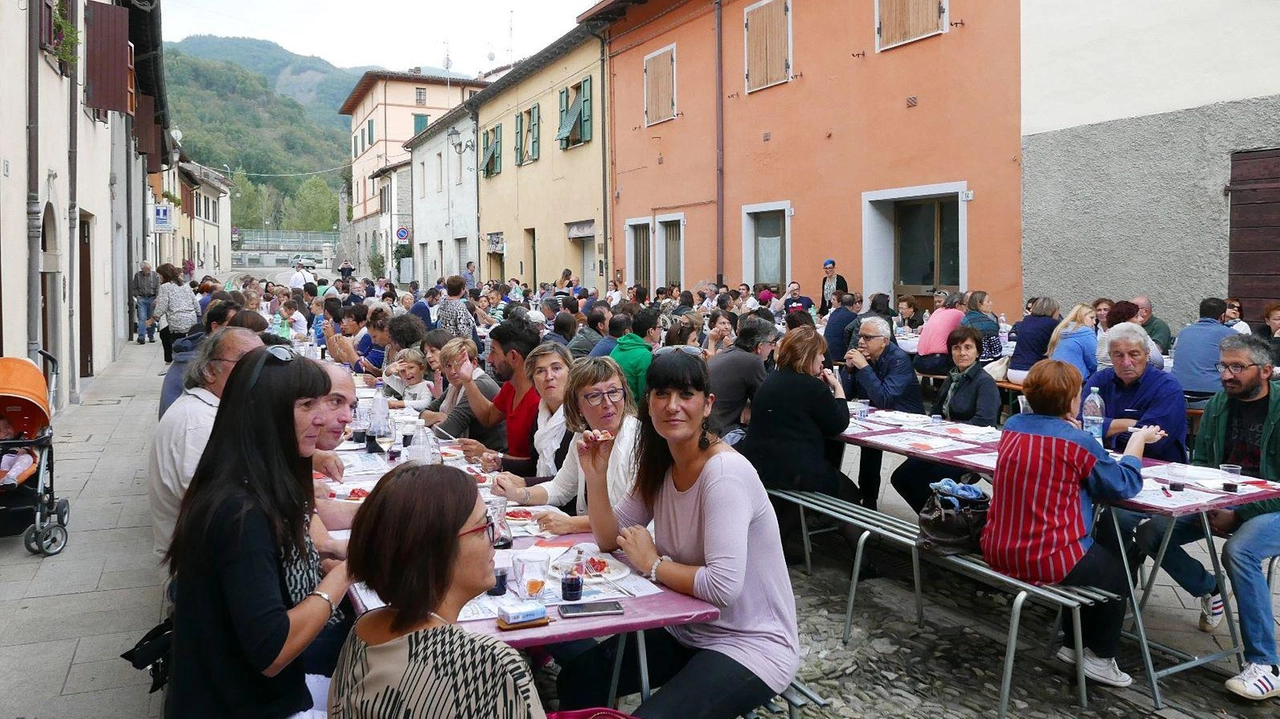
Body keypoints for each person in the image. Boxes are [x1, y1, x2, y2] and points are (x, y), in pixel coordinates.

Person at [557, 351, 799, 717]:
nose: (673, 406)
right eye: (662, 394)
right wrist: (596, 475)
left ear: (707, 405)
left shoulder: (723, 474)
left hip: (749, 643)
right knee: (578, 676)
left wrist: (652, 564)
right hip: (687, 629)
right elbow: (608, 539)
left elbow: (723, 587)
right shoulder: (660, 463)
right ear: (648, 403)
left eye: (686, 395)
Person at [164, 347, 352, 718]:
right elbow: (273, 651)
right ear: (267, 413)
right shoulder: (240, 511)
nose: (321, 419)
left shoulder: (245, 481)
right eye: (306, 405)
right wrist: (347, 574)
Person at [981, 360, 1164, 689]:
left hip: (997, 545)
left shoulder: (1014, 426)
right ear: (1072, 401)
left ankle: (1072, 643)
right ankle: (1100, 657)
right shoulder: (1077, 442)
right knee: (1115, 572)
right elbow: (1122, 484)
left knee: (1091, 559)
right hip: (1044, 556)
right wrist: (1137, 444)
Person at [1129, 334, 1280, 701]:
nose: (1227, 375)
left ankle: (1266, 665)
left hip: (1272, 506)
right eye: (1223, 366)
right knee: (1151, 531)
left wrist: (1238, 513)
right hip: (1220, 501)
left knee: (1240, 551)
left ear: (1265, 371)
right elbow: (1200, 464)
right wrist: (1208, 504)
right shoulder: (1218, 405)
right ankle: (1209, 588)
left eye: (1237, 367)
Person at [328, 464, 546, 719]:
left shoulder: (363, 629)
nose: (497, 535)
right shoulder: (488, 663)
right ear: (436, 552)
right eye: (483, 526)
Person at [493, 357, 641, 535]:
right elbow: (560, 487)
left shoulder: (638, 440)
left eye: (614, 392)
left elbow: (629, 517)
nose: (608, 403)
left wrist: (572, 524)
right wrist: (518, 494)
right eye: (595, 396)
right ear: (577, 406)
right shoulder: (583, 436)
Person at [890, 327, 1001, 512]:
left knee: (922, 481)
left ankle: (943, 521)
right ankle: (933, 519)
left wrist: (949, 430)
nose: (962, 353)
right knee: (901, 476)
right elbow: (936, 411)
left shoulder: (984, 382)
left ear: (978, 352)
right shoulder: (953, 376)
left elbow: (985, 422)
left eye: (968, 347)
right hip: (942, 445)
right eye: (956, 348)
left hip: (967, 450)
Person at [844, 316, 924, 509]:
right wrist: (850, 370)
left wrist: (863, 367)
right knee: (868, 446)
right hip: (878, 421)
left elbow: (885, 399)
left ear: (884, 341)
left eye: (868, 337)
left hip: (908, 422)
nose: (861, 341)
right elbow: (847, 395)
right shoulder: (867, 357)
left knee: (914, 469)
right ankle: (868, 501)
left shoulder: (899, 359)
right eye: (860, 336)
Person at [1084, 323, 1187, 462]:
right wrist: (1132, 425)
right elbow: (1080, 427)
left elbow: (1155, 443)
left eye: (1134, 354)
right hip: (1105, 463)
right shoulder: (1099, 381)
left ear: (1147, 354)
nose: (1126, 362)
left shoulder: (1167, 387)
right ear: (1110, 356)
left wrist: (1104, 434)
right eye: (1118, 355)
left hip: (1157, 467)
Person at [480, 343, 574, 482]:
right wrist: (500, 463)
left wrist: (524, 484)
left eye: (556, 368)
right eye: (540, 371)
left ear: (571, 373)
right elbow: (534, 464)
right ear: (533, 381)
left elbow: (569, 484)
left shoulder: (579, 418)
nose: (549, 377)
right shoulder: (541, 415)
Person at [456, 319, 541, 459]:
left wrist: (488, 453)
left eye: (493, 352)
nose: (489, 359)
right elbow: (488, 417)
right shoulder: (511, 387)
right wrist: (468, 380)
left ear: (513, 356)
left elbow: (534, 465)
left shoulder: (538, 400)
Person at [420, 338, 507, 450]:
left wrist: (434, 421)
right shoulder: (454, 386)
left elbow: (446, 432)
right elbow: (422, 413)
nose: (453, 372)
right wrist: (440, 416)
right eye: (448, 366)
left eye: (458, 365)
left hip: (493, 455)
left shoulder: (479, 385)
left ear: (474, 363)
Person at [159, 300, 241, 418]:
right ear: (215, 327)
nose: (239, 332)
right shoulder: (196, 360)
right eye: (234, 326)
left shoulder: (206, 352)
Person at [708, 317, 776, 441]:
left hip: (706, 425)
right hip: (718, 433)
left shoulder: (728, 351)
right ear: (760, 346)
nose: (773, 348)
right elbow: (768, 403)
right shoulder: (752, 361)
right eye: (771, 343)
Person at [1173, 298, 1238, 407]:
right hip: (1213, 396)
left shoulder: (1184, 332)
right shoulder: (1231, 334)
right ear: (1222, 316)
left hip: (1178, 394)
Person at [150, 263, 200, 365]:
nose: (158, 277)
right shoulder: (185, 285)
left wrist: (154, 318)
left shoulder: (165, 287)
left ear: (164, 275)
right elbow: (195, 302)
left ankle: (170, 362)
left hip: (177, 320)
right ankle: (171, 360)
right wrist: (198, 313)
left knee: (172, 339)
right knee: (165, 333)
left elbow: (162, 306)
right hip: (191, 318)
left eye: (159, 274)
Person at [1096, 301, 1165, 371]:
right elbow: (1158, 362)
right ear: (1125, 320)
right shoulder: (1138, 337)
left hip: (1104, 378)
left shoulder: (1104, 337)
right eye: (1137, 316)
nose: (1141, 319)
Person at [1007, 296, 1061, 383]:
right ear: (1054, 311)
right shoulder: (1052, 324)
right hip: (1033, 373)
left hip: (1012, 371)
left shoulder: (1026, 320)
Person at [611, 307, 661, 400]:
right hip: (633, 408)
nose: (661, 330)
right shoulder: (644, 356)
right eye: (659, 327)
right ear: (650, 331)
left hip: (617, 401)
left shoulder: (620, 345)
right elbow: (645, 394)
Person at [914, 292, 966, 375]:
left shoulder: (937, 311)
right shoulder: (959, 314)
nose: (966, 309)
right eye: (965, 305)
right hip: (937, 362)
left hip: (918, 361)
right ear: (957, 305)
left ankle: (936, 387)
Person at [1047, 303, 1099, 381]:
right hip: (1075, 379)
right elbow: (1094, 361)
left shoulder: (1060, 330)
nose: (1094, 322)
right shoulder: (1086, 332)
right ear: (1080, 316)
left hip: (1054, 377)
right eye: (1092, 318)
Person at [960, 290, 1003, 365]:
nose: (991, 304)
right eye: (988, 301)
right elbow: (996, 352)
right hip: (986, 365)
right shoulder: (990, 324)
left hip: (967, 362)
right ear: (979, 305)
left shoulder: (964, 320)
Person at [823, 292, 861, 367]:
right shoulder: (853, 317)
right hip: (840, 355)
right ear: (853, 305)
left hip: (827, 352)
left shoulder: (834, 313)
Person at [131, 262, 160, 344]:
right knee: (142, 317)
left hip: (152, 298)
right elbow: (134, 287)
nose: (149, 270)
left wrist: (157, 298)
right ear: (142, 269)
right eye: (147, 269)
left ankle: (151, 336)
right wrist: (137, 296)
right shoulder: (138, 276)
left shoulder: (155, 275)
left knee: (151, 317)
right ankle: (141, 336)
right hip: (142, 298)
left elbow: (158, 287)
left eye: (150, 268)